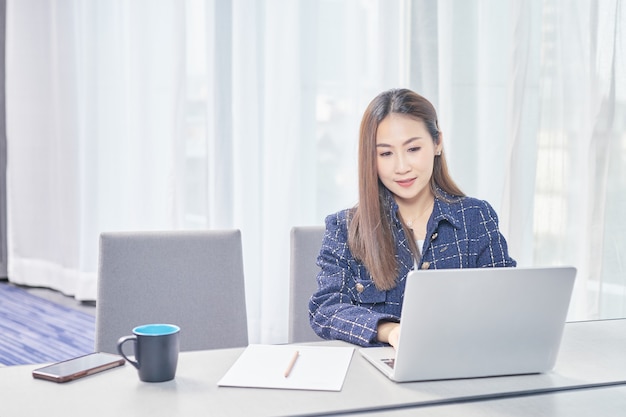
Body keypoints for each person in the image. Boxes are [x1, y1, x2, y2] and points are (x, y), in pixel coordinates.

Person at [308, 88, 516, 348]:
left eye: (413, 148)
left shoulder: (476, 217)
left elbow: (506, 300)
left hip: (461, 369)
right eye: (385, 154)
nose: (402, 167)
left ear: (437, 143)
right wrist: (390, 331)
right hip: (377, 373)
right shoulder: (345, 228)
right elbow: (326, 309)